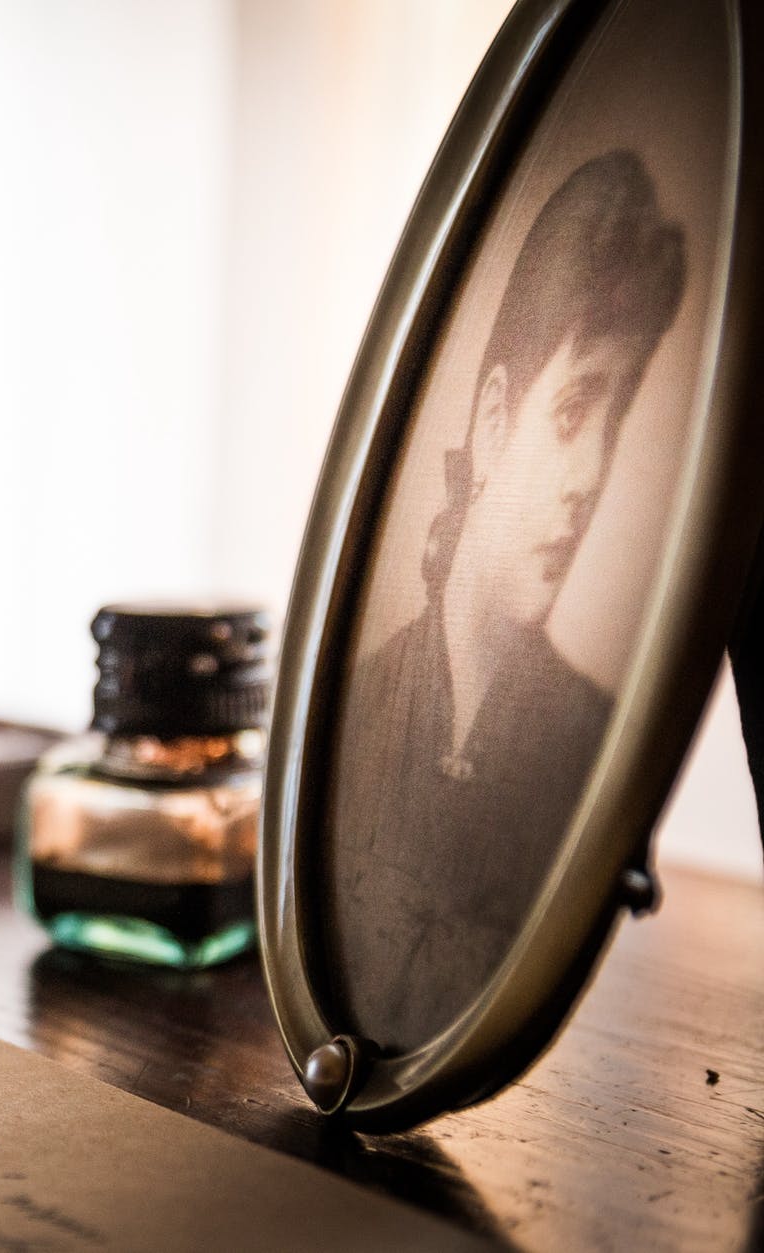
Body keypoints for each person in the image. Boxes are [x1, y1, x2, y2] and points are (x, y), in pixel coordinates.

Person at [323, 149, 687, 1052]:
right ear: (492, 421)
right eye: (573, 410)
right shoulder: (352, 709)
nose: (594, 474)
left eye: (618, 416)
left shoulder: (596, 746)